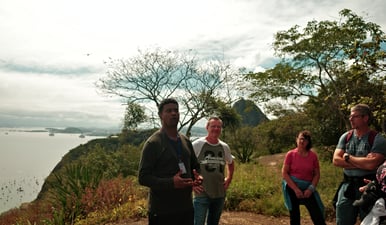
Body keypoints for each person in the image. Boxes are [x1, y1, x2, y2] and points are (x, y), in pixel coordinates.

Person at [138, 98, 203, 225]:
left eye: (176, 110)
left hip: (186, 208)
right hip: (162, 212)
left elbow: (195, 166)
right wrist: (171, 182)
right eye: (169, 111)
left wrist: (198, 176)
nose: (173, 113)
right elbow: (143, 177)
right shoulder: (153, 143)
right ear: (161, 115)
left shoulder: (185, 141)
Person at [332, 103, 386, 225]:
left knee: (369, 221)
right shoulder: (346, 137)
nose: (350, 119)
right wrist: (362, 162)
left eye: (354, 116)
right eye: (350, 116)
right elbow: (335, 160)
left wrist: (347, 157)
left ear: (365, 118)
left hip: (368, 187)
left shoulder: (378, 139)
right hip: (348, 186)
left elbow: (371, 165)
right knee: (342, 220)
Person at [192, 116, 234, 225]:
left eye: (218, 127)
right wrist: (192, 183)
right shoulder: (197, 145)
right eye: (213, 126)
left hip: (219, 192)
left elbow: (231, 162)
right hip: (202, 192)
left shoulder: (224, 146)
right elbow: (186, 164)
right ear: (207, 127)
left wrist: (229, 179)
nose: (216, 129)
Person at [282, 130, 326, 225]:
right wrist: (296, 189)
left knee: (317, 216)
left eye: (305, 140)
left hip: (308, 187)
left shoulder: (313, 156)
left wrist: (310, 189)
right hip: (292, 187)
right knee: (295, 216)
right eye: (301, 139)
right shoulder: (290, 154)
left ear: (308, 142)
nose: (302, 141)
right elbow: (285, 173)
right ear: (297, 140)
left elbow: (317, 174)